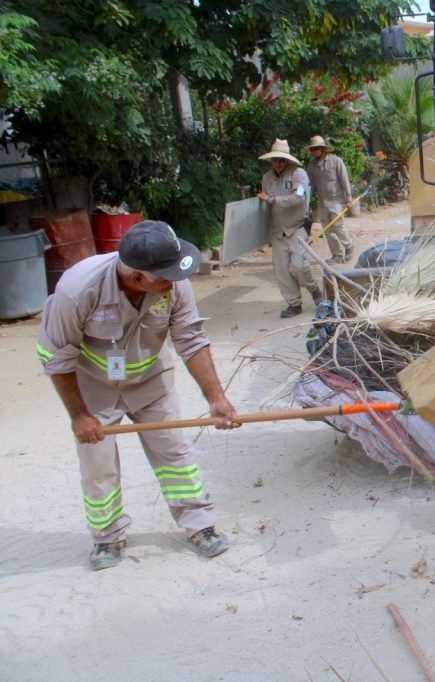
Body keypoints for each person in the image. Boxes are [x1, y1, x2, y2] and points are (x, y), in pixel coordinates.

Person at [36, 220, 241, 570]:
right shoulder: (77, 290)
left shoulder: (173, 282)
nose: (173, 282)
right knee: (97, 464)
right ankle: (107, 537)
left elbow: (191, 339)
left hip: (151, 379)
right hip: (94, 386)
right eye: (165, 278)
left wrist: (216, 398)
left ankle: (199, 524)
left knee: (174, 450)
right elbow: (55, 357)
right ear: (136, 278)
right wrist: (79, 415)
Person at [257, 138, 324, 318]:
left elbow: (298, 198)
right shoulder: (267, 178)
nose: (278, 164)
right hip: (278, 231)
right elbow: (264, 205)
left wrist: (273, 200)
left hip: (297, 228)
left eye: (282, 160)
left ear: (287, 160)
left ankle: (314, 290)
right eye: (275, 160)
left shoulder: (298, 174)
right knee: (282, 271)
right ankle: (294, 304)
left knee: (299, 266)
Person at [303, 135, 355, 264]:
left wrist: (349, 199)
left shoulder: (336, 161)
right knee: (327, 230)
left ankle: (349, 245)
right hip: (322, 202)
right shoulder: (312, 165)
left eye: (317, 148)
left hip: (337, 200)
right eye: (313, 149)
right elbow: (309, 185)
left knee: (338, 226)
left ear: (323, 149)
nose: (315, 151)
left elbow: (344, 180)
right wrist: (303, 200)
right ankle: (337, 255)